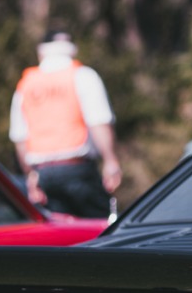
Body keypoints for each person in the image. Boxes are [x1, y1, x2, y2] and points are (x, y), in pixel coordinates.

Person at [8, 30, 121, 218]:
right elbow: (99, 121)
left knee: (61, 231)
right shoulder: (82, 75)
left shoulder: (26, 85)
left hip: (43, 175)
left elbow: (20, 137)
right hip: (78, 171)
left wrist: (30, 176)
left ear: (41, 52)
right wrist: (111, 161)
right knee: (101, 228)